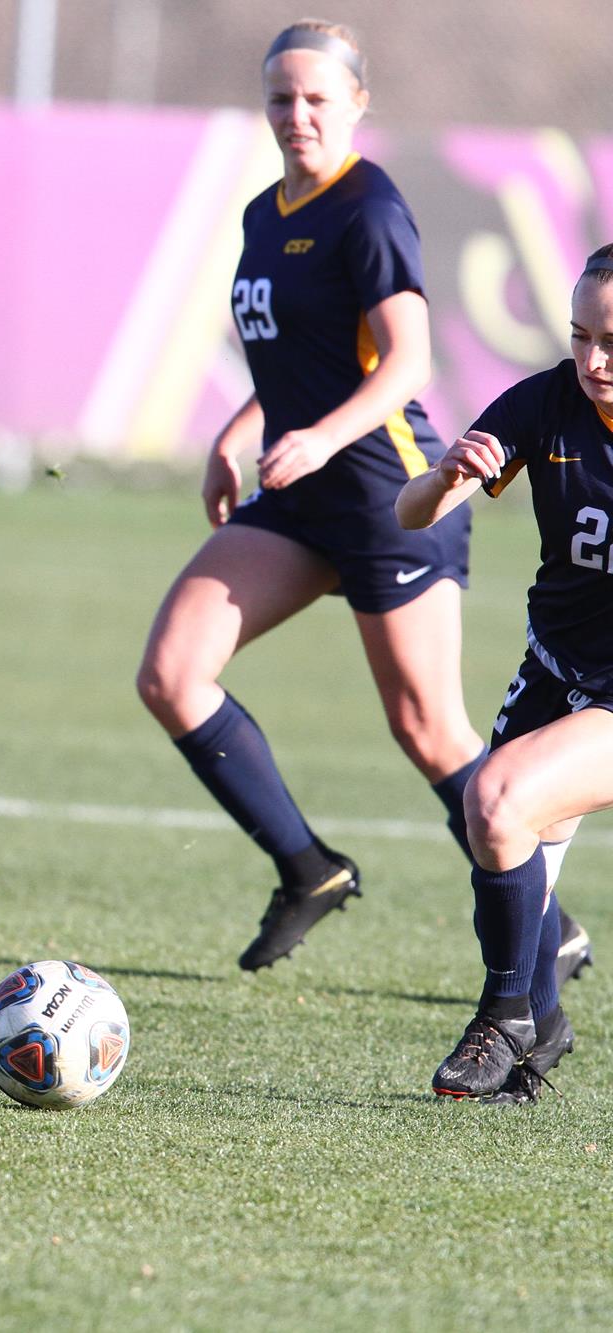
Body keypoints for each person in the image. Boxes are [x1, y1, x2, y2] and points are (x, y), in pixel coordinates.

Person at [135, 19, 591, 977]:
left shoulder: (369, 208)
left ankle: (548, 934)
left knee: (429, 729)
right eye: (280, 99)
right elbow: (305, 357)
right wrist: (238, 432)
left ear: (356, 103)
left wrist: (320, 434)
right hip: (299, 493)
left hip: (388, 489)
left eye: (316, 98)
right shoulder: (265, 213)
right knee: (173, 672)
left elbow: (409, 359)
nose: (297, 115)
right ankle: (307, 868)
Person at [395, 245, 613, 1102]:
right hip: (555, 670)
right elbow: (413, 513)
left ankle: (506, 1017)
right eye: (581, 336)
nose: (595, 360)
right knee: (510, 851)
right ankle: (543, 1025)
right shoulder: (549, 400)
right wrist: (449, 471)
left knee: (495, 800)